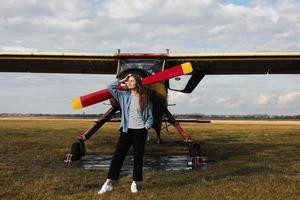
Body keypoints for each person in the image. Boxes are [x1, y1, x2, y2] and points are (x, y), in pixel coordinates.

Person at [98, 73, 153, 194]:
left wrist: (146, 127)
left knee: (138, 158)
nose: (129, 83)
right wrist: (121, 80)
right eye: (128, 81)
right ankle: (108, 183)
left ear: (138, 83)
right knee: (118, 156)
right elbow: (110, 87)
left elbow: (150, 118)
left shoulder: (145, 98)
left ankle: (135, 183)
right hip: (126, 131)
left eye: (132, 81)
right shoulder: (123, 95)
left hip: (140, 132)